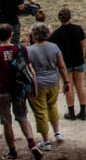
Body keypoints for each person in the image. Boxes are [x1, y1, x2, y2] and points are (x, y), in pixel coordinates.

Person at [0, 23, 45, 160]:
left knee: (7, 122)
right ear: (11, 35)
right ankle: (31, 144)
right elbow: (31, 70)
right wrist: (34, 87)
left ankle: (12, 152)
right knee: (22, 117)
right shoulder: (21, 49)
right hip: (19, 91)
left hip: (3, 91)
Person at [28, 22, 70, 152]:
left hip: (38, 84)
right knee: (52, 105)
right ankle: (58, 132)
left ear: (34, 35)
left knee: (40, 111)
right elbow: (62, 66)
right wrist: (66, 82)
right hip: (53, 81)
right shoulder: (54, 47)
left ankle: (46, 140)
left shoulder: (29, 50)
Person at [48, 8, 86, 120]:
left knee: (68, 86)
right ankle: (83, 111)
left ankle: (71, 112)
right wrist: (82, 56)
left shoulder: (56, 34)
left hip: (65, 64)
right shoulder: (78, 29)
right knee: (80, 85)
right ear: (70, 17)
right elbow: (83, 44)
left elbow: (55, 51)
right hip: (78, 61)